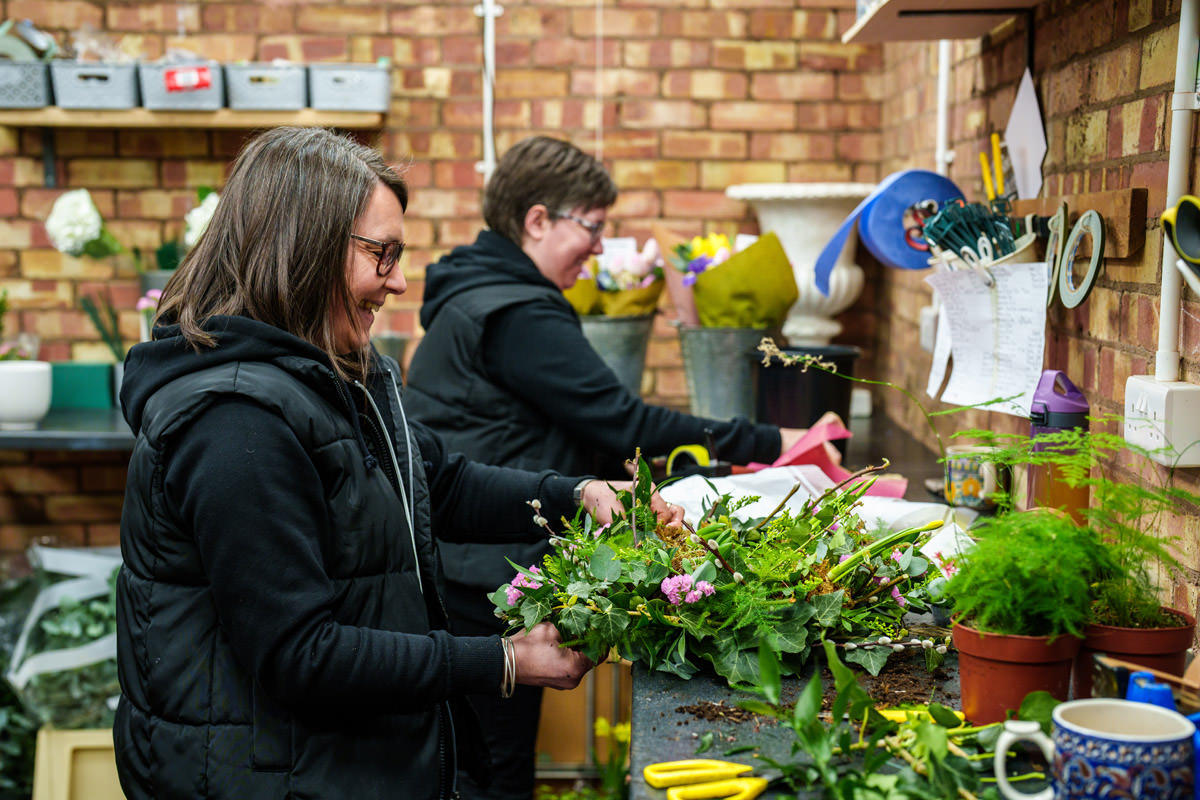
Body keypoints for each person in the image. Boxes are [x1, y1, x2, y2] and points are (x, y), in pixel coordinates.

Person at [112, 126, 682, 800]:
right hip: (266, 777)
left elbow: (435, 482)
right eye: (381, 255)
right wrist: (501, 660)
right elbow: (302, 654)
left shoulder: (334, 371)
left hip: (343, 762)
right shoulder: (235, 421)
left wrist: (579, 493)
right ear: (304, 249)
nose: (400, 281)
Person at [404, 135, 812, 800]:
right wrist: (771, 441)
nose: (599, 248)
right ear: (537, 220)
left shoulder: (476, 292)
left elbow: (585, 428)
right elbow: (623, 423)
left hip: (463, 564)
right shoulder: (516, 313)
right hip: (483, 575)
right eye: (591, 227)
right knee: (495, 764)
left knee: (477, 757)